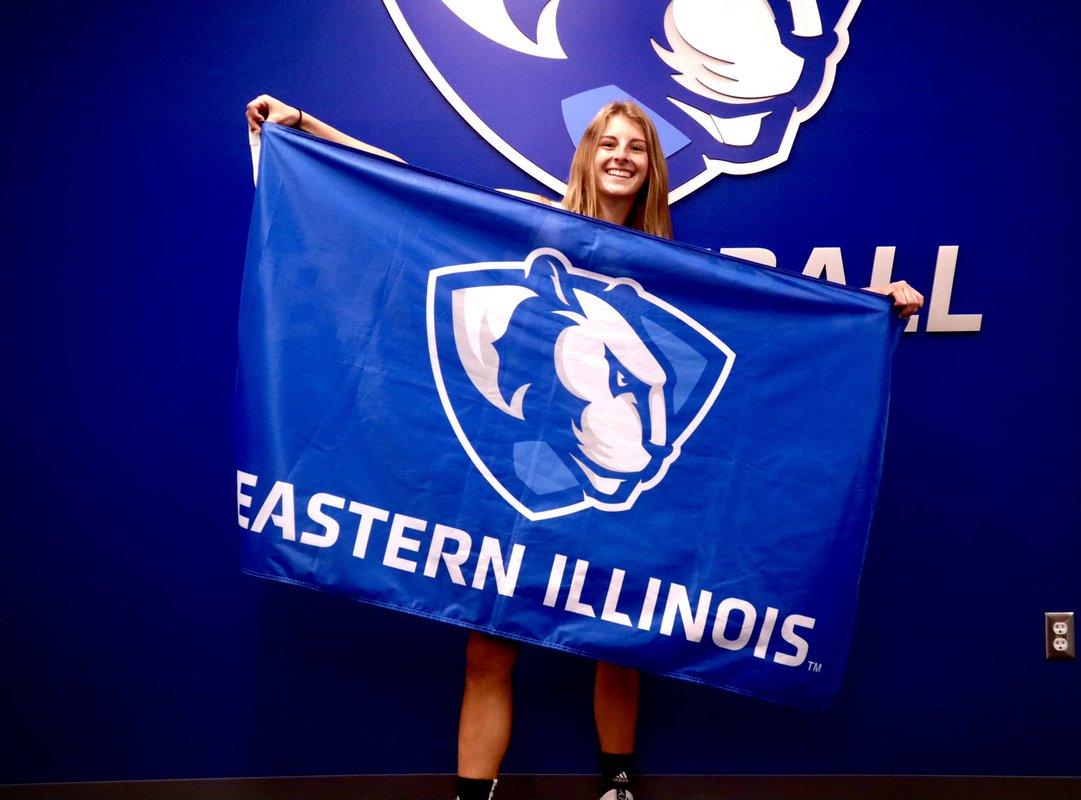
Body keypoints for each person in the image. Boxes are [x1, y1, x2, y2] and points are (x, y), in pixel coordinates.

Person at [245, 94, 924, 800]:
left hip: (612, 476)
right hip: (517, 473)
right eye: (609, 143)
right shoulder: (532, 223)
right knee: (489, 640)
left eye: (636, 147)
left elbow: (778, 319)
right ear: (588, 155)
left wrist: (874, 307)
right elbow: (407, 187)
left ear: (651, 169)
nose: (621, 156)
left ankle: (617, 787)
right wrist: (305, 128)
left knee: (622, 638)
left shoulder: (672, 266)